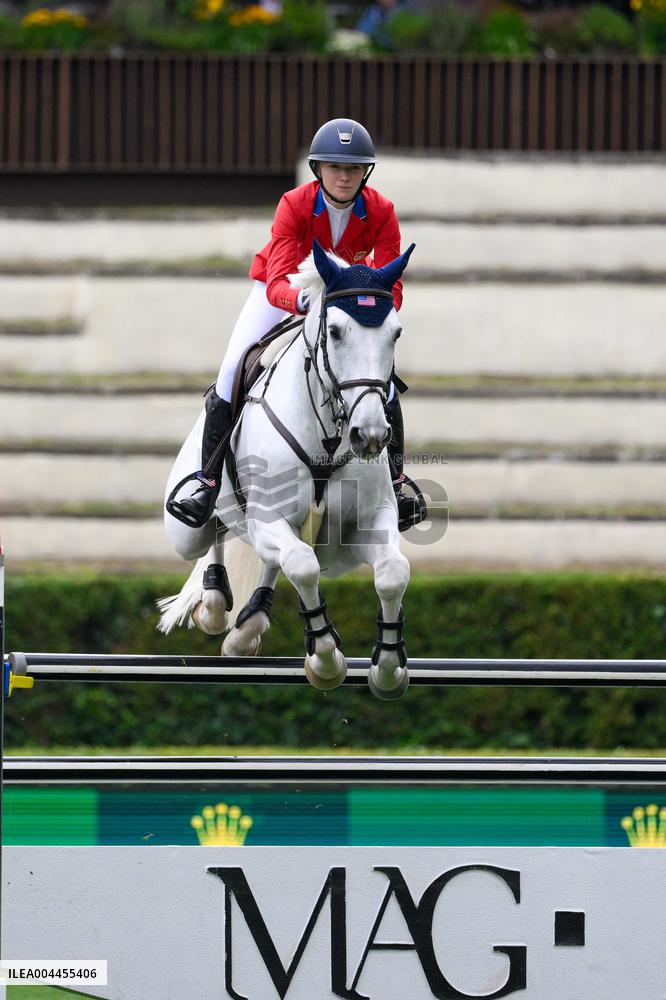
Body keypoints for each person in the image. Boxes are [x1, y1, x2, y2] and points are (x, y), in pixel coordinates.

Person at [171, 117, 423, 532]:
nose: (344, 177)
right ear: (318, 169)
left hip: (347, 308)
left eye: (354, 169)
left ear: (365, 173)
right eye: (335, 168)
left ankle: (396, 485)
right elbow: (278, 281)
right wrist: (306, 302)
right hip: (284, 296)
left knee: (386, 386)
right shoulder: (294, 204)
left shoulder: (382, 211)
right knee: (232, 371)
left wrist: (374, 312)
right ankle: (207, 482)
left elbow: (389, 286)